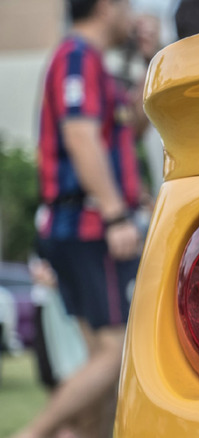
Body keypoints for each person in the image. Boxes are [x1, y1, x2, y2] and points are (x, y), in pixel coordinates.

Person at [14, 0, 141, 436]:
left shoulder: (94, 65)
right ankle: (33, 433)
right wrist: (115, 215)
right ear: (106, 7)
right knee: (116, 352)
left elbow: (125, 130)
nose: (132, 13)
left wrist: (145, 62)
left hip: (84, 228)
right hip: (88, 229)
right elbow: (81, 138)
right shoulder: (76, 57)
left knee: (101, 368)